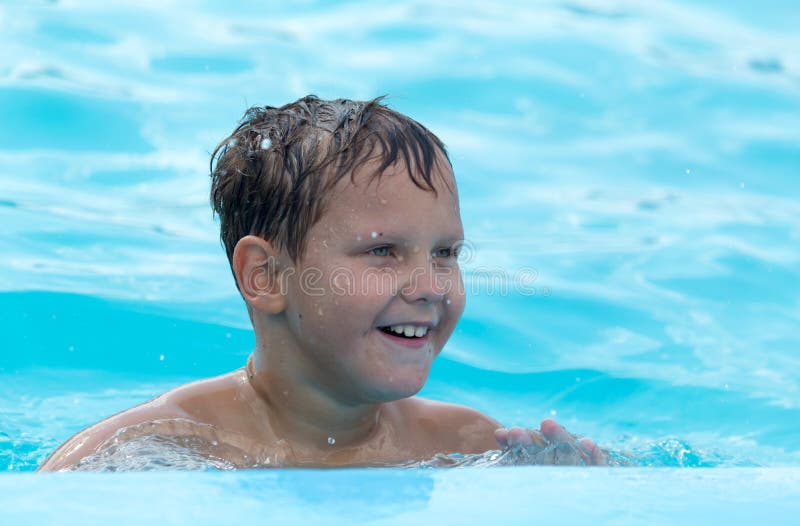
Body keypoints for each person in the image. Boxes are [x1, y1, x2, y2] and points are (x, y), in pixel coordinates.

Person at [38, 96, 606, 471]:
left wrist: (579, 483)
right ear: (265, 276)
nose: (430, 285)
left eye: (445, 253)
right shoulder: (146, 451)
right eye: (383, 251)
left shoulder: (464, 443)